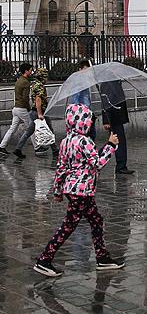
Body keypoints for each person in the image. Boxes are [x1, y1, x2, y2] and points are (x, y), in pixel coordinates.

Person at [32, 104, 123, 277]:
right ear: (83, 122)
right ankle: (44, 259)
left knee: (96, 220)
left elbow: (61, 168)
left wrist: (58, 191)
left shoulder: (66, 141)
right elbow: (98, 164)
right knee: (68, 226)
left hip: (74, 190)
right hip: (81, 191)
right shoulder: (84, 141)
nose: (90, 124)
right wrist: (110, 145)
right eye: (88, 120)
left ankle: (102, 258)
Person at [21, 68, 60, 158]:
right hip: (40, 112)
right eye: (45, 77)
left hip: (36, 111)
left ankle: (54, 149)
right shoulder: (40, 86)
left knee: (30, 131)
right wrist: (40, 114)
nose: (46, 79)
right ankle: (54, 149)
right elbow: (38, 100)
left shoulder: (35, 84)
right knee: (49, 130)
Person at [0, 63, 34, 159]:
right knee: (31, 128)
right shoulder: (26, 82)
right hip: (22, 108)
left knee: (12, 128)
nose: (31, 72)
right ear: (26, 71)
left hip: (15, 108)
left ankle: (2, 146)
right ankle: (38, 147)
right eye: (30, 70)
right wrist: (28, 108)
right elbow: (25, 98)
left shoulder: (18, 80)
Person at [100, 81, 134, 175]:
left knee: (117, 142)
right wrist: (106, 120)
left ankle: (121, 165)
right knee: (117, 142)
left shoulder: (115, 82)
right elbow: (106, 102)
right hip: (113, 117)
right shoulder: (108, 83)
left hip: (117, 116)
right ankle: (120, 166)